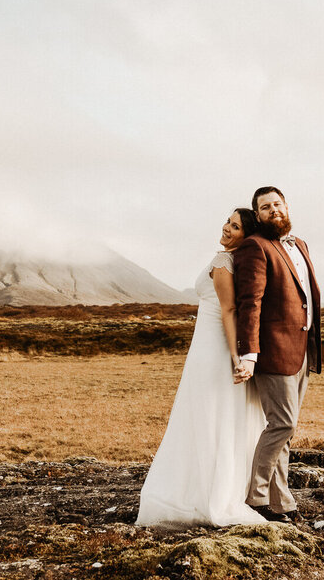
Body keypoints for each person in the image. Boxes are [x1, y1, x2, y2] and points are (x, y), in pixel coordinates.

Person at [136, 208, 270, 527]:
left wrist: (238, 358)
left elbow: (229, 311)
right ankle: (219, 488)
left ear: (246, 235)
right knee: (219, 416)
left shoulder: (223, 262)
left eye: (235, 226)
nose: (226, 228)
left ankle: (208, 495)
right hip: (214, 347)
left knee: (208, 416)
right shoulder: (242, 263)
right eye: (228, 220)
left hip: (213, 350)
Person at [233, 186, 322, 524]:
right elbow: (250, 304)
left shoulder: (299, 244)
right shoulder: (255, 247)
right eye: (265, 207)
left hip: (302, 351)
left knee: (286, 429)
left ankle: (281, 502)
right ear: (258, 215)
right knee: (282, 424)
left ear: (287, 206)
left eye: (277, 204)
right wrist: (250, 353)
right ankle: (256, 498)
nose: (273, 210)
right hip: (272, 352)